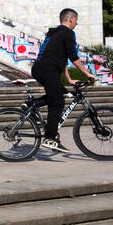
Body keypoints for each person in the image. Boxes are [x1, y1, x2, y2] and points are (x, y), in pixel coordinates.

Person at [29, 8, 97, 153]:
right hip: (47, 70)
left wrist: (69, 79)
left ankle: (31, 104)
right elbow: (73, 56)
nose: (77, 23)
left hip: (40, 69)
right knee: (58, 102)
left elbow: (62, 59)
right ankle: (50, 138)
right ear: (71, 19)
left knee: (62, 92)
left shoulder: (54, 33)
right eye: (76, 20)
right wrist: (88, 74)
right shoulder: (68, 33)